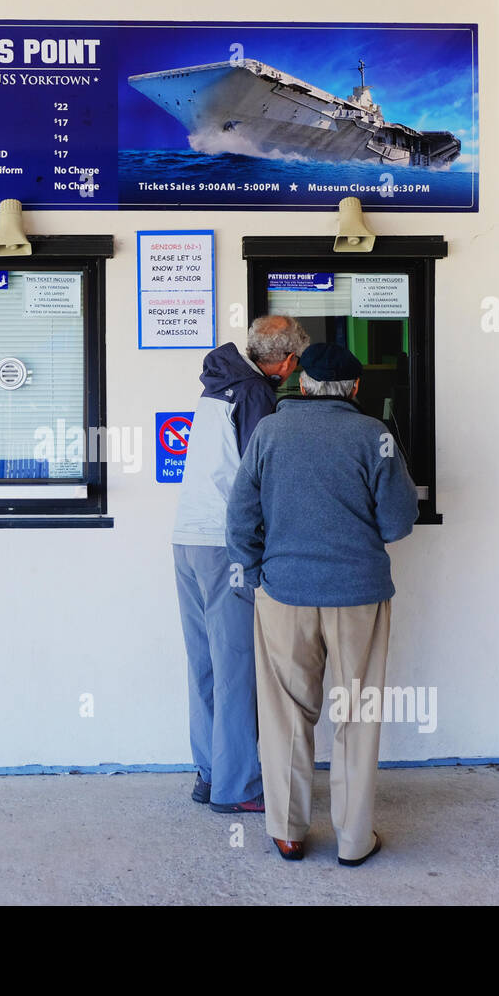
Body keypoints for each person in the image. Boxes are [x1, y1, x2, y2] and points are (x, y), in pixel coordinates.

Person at [225, 342, 419, 864]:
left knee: (287, 713)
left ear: (302, 384)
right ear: (355, 389)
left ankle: (288, 832)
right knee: (358, 713)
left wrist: (255, 575)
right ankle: (354, 841)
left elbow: (240, 517)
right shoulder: (373, 434)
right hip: (359, 594)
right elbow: (399, 522)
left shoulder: (269, 432)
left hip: (284, 591)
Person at [172, 315, 308, 813]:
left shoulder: (219, 386)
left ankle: (210, 774)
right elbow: (259, 478)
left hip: (187, 539)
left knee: (205, 665)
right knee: (237, 668)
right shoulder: (254, 395)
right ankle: (240, 788)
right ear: (288, 361)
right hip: (223, 545)